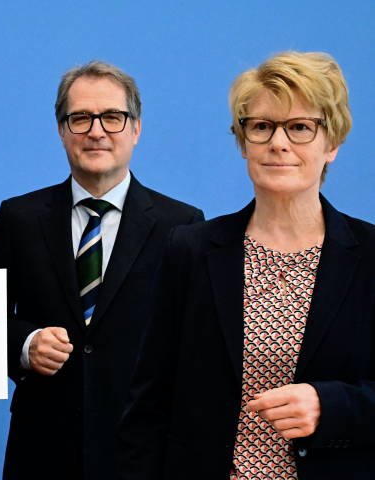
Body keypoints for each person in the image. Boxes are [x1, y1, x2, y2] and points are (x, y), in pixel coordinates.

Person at [116, 51, 374, 479]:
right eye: (261, 126)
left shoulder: (368, 256)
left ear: (332, 143)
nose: (278, 142)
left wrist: (330, 406)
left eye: (300, 127)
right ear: (242, 142)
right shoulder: (191, 249)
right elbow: (149, 403)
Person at [0, 60, 204, 479]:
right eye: (80, 118)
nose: (97, 131)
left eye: (112, 118)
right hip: (42, 447)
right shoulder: (18, 218)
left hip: (142, 450)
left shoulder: (183, 226)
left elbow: (194, 345)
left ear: (136, 129)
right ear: (62, 130)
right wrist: (25, 345)